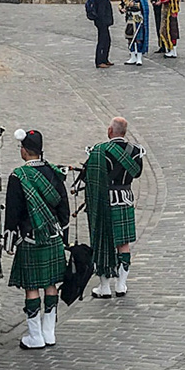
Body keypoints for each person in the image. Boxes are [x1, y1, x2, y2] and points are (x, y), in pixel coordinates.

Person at [5, 128, 70, 349]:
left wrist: (9, 241)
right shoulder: (54, 172)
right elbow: (64, 207)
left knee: (32, 286)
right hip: (53, 236)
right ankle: (49, 332)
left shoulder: (18, 176)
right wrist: (64, 236)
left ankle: (35, 336)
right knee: (51, 284)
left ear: (24, 151)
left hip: (31, 238)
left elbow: (12, 213)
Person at [82, 118, 144, 298]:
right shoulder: (135, 152)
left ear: (110, 131)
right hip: (124, 199)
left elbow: (89, 177)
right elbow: (137, 173)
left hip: (104, 201)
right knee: (123, 243)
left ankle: (104, 287)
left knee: (102, 242)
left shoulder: (99, 151)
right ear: (124, 132)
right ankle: (121, 285)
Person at [86, 0, 115, 69]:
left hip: (100, 22)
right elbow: (101, 11)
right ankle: (100, 61)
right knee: (103, 41)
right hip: (102, 23)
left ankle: (105, 59)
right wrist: (104, 21)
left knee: (107, 41)